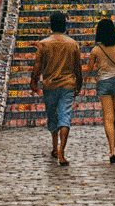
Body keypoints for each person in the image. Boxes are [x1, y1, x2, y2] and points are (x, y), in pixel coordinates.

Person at [30, 10, 83, 165]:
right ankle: (62, 151)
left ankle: (54, 146)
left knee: (52, 116)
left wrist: (33, 81)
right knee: (65, 117)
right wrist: (79, 84)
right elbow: (77, 68)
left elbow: (38, 66)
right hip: (67, 85)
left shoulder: (44, 44)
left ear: (51, 25)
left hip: (50, 85)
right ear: (64, 25)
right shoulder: (72, 44)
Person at [85, 17, 115, 161]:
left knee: (108, 118)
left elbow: (90, 69)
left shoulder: (96, 50)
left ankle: (112, 150)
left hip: (103, 83)